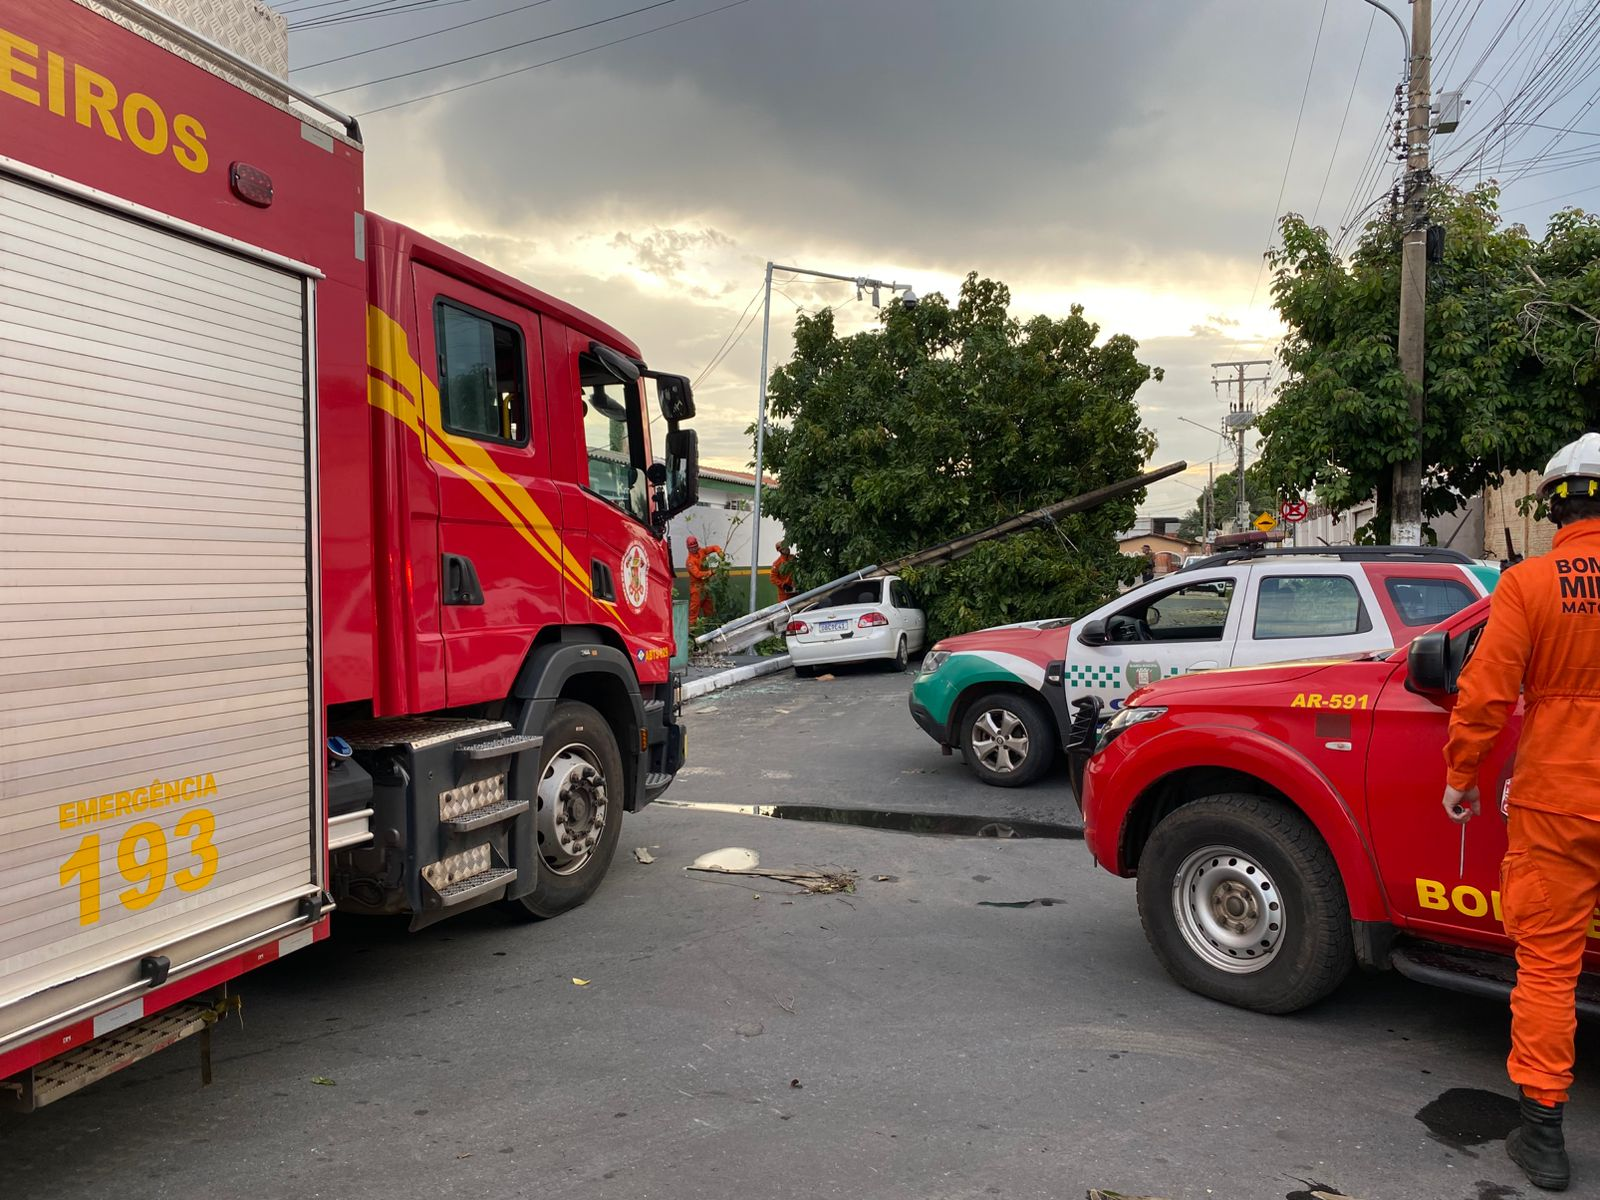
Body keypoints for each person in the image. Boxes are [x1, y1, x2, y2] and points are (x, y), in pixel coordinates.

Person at [1442, 432, 1600, 1192]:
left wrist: (1460, 773)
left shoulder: (1531, 585)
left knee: (1547, 969)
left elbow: (1484, 692)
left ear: (1555, 504)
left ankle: (1542, 1137)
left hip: (1558, 802)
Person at [685, 535, 722, 624]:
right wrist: (711, 572)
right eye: (692, 548)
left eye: (695, 547)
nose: (694, 549)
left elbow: (714, 547)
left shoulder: (702, 551)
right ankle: (692, 631)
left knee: (709, 610)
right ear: (688, 548)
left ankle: (710, 626)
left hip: (706, 587)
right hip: (696, 589)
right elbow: (698, 574)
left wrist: (719, 552)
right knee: (694, 612)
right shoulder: (690, 561)